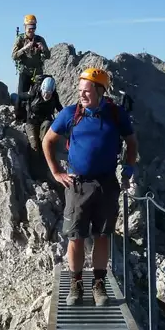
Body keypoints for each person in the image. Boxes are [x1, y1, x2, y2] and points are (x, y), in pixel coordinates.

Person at [41, 67, 138, 306]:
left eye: (86, 91)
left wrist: (128, 170)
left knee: (102, 236)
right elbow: (48, 141)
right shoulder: (70, 114)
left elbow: (132, 143)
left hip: (106, 184)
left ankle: (98, 284)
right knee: (76, 237)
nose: (81, 95)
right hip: (78, 184)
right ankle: (76, 283)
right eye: (80, 91)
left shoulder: (116, 114)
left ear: (100, 91)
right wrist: (57, 172)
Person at [11, 14, 50, 122]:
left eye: (33, 28)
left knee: (37, 96)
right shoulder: (20, 39)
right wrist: (25, 48)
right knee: (21, 96)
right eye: (30, 28)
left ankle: (36, 117)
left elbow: (48, 55)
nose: (32, 31)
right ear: (25, 27)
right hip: (25, 71)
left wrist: (43, 49)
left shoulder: (40, 39)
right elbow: (13, 56)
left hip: (37, 72)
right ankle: (19, 117)